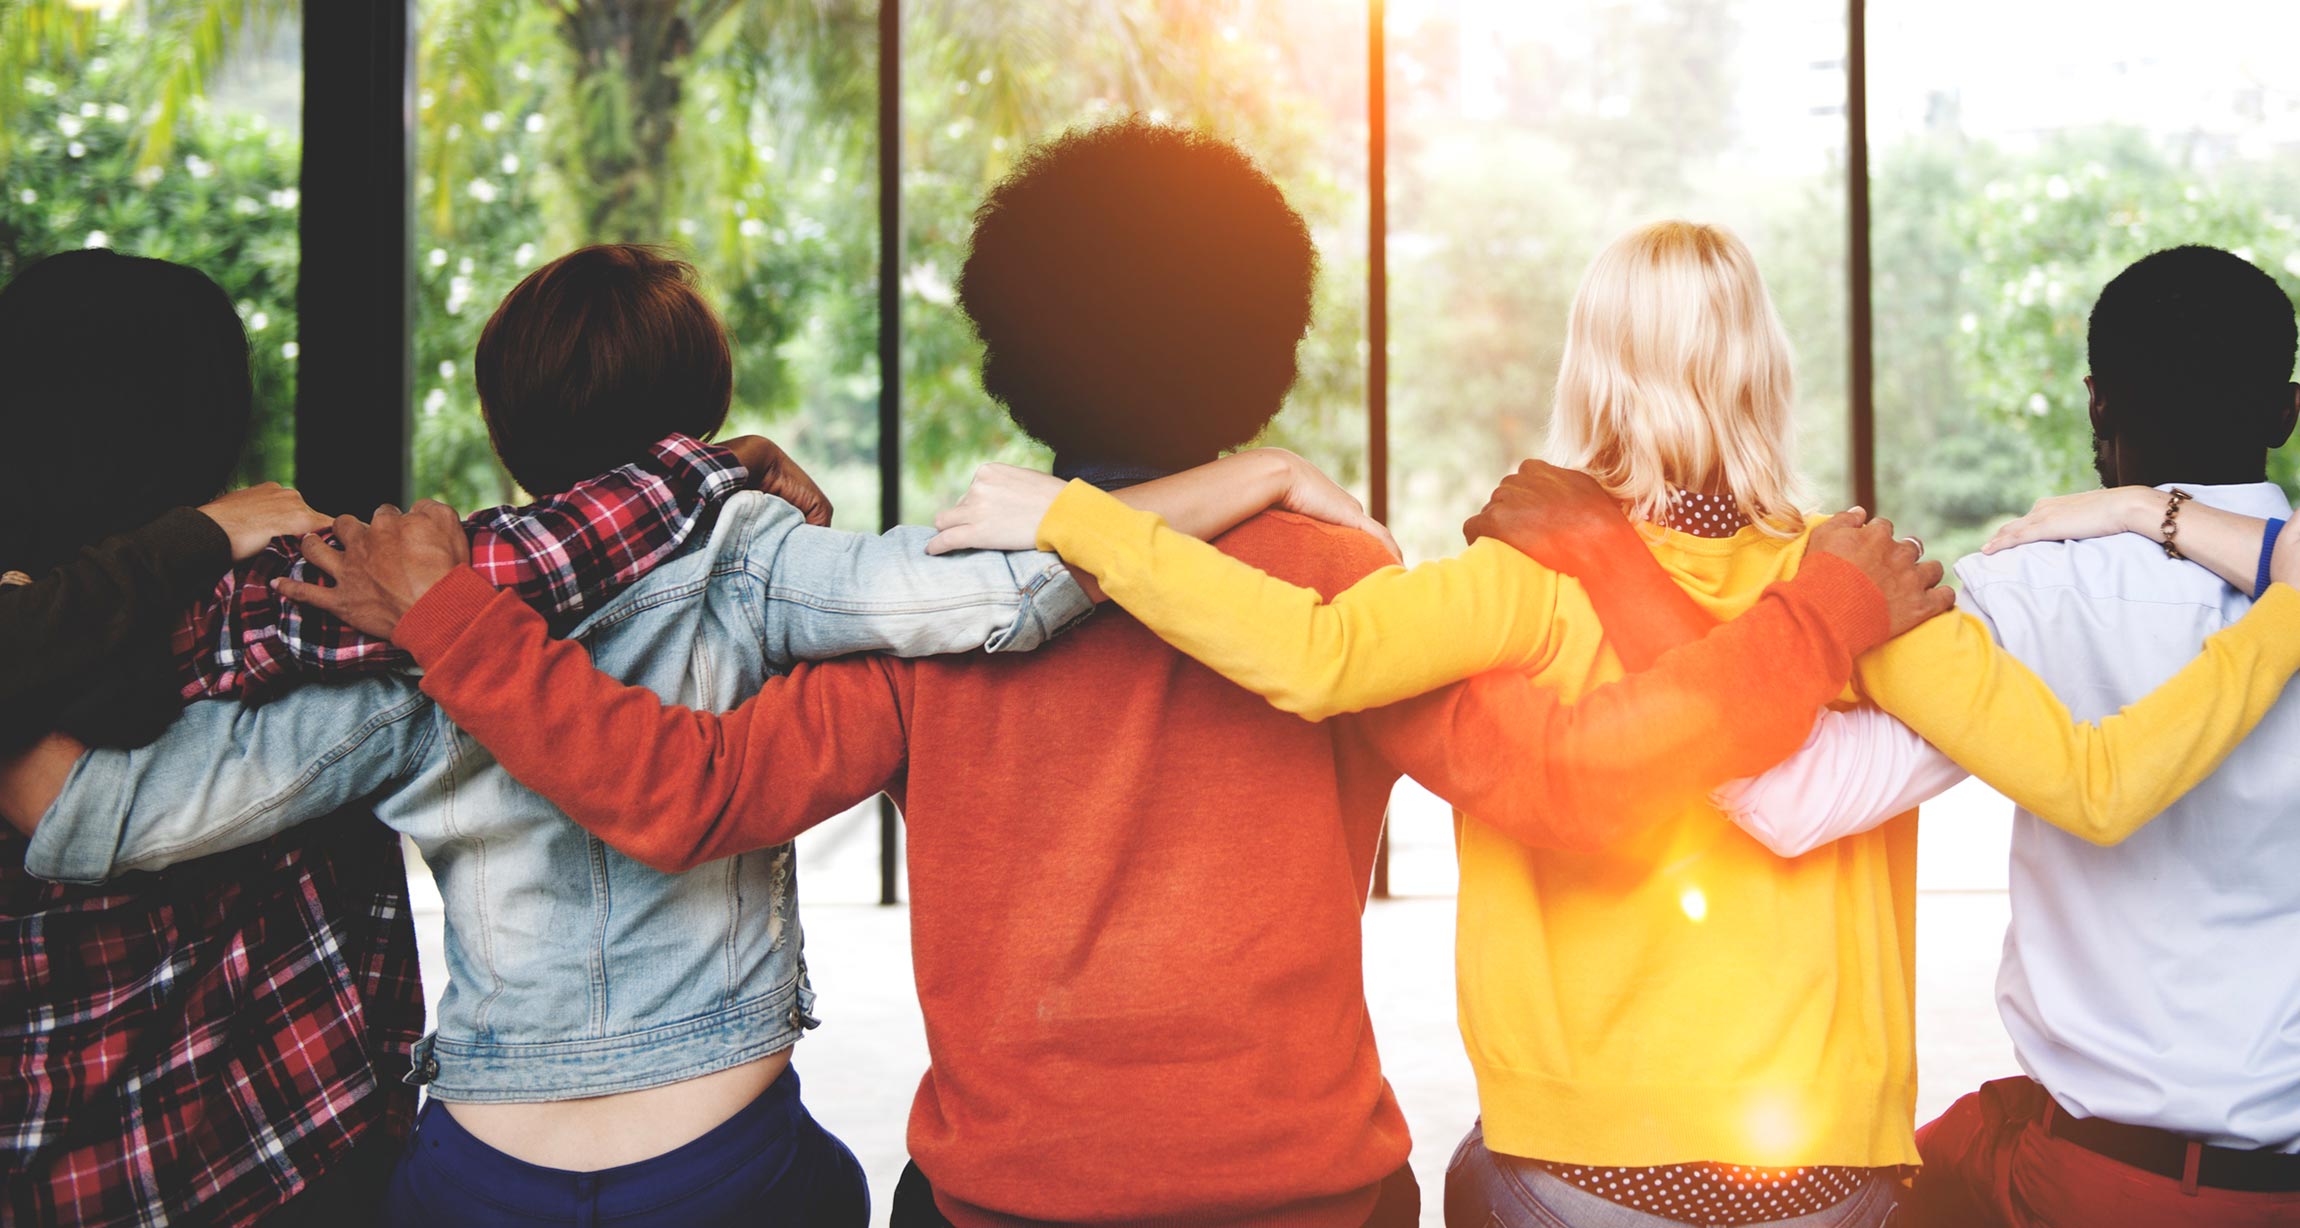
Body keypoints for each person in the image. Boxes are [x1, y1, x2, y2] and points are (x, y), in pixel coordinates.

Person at [243, 121, 1946, 1228]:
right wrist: (1815, 621)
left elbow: (681, 795)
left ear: (1004, 359)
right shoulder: (1343, 575)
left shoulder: (947, 596)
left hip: (1000, 1205)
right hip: (1309, 1200)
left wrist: (458, 624)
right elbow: (1584, 791)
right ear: (1275, 349)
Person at [926, 220, 2300, 1228]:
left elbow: (1313, 656)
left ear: (1593, 370)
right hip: (1825, 1180)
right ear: (1766, 369)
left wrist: (1076, 520)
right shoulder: (1867, 581)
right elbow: (2106, 787)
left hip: (1566, 1173)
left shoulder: (1528, 573)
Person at [0, 239, 1390, 1227]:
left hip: (481, 1161)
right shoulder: (760, 564)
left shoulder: (414, 616)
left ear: (502, 434)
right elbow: (1012, 588)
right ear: (709, 413)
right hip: (724, 1158)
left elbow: (116, 815)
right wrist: (1264, 474)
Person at [1709, 245, 2300, 1226]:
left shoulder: (2020, 594)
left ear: (2095, 403)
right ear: (2285, 410)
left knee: (1872, 1179)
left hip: (2090, 1179)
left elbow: (1786, 800)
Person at [0, 247, 423, 1227]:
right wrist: (691, 477)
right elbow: (514, 581)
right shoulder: (285, 590)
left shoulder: (43, 617)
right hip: (282, 1145)